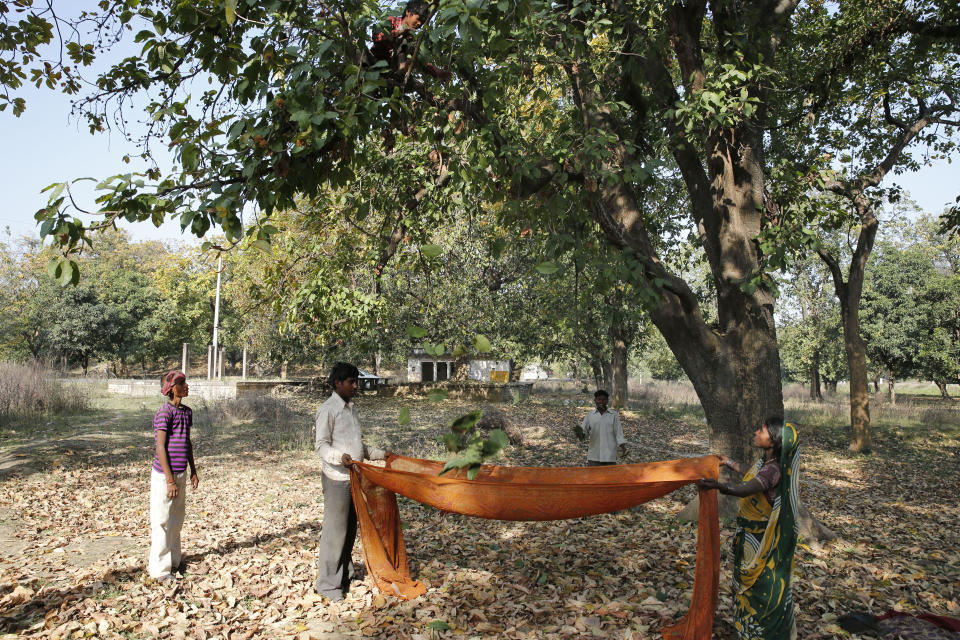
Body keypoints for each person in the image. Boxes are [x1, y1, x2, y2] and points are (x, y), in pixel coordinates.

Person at [698, 418, 800, 640]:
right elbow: (750, 473)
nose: (756, 432)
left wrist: (719, 486)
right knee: (745, 584)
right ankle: (746, 630)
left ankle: (761, 633)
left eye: (761, 431)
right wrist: (729, 462)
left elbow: (748, 488)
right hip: (749, 537)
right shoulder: (765, 462)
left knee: (758, 585)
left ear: (773, 440)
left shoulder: (773, 470)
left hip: (761, 540)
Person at [314, 362, 391, 601]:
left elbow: (359, 447)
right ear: (338, 383)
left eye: (356, 381)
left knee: (349, 530)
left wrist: (381, 455)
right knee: (335, 532)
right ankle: (327, 585)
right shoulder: (328, 409)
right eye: (351, 382)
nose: (356, 386)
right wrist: (340, 458)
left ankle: (343, 576)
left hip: (355, 478)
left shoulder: (351, 409)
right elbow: (321, 446)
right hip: (337, 478)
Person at [148, 371, 199, 581]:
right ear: (171, 388)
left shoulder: (187, 412)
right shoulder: (164, 413)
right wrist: (169, 481)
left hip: (180, 473)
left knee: (176, 520)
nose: (186, 386)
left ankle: (175, 562)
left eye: (185, 382)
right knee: (162, 520)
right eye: (181, 383)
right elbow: (160, 446)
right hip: (164, 476)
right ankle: (159, 571)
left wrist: (193, 470)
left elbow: (186, 443)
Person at [370, 0, 452, 82]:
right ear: (408, 12)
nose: (419, 24)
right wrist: (398, 33)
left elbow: (418, 58)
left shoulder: (411, 37)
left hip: (390, 71)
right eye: (418, 19)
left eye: (422, 22)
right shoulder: (391, 21)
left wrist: (437, 72)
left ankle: (399, 73)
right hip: (375, 63)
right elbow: (377, 37)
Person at [576, 389, 626, 466]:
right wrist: (580, 434)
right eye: (599, 399)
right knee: (594, 477)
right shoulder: (590, 415)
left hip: (610, 454)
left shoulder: (613, 415)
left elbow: (618, 431)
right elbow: (584, 431)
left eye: (604, 399)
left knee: (610, 477)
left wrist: (622, 445)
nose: (601, 402)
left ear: (607, 401)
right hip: (594, 455)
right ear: (595, 400)